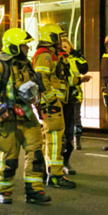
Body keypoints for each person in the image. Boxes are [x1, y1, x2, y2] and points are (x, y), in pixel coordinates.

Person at [0, 28, 52, 205]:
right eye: (24, 45)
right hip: (9, 119)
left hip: (27, 117)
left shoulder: (26, 65)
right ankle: (5, 190)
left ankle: (34, 191)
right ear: (14, 47)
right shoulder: (0, 66)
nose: (27, 48)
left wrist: (41, 106)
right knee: (9, 158)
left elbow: (34, 90)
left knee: (36, 155)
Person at [33, 23, 75, 189]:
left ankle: (47, 171)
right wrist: (51, 100)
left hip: (51, 104)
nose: (60, 40)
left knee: (49, 139)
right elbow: (41, 78)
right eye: (58, 37)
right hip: (51, 105)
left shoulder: (50, 54)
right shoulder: (45, 55)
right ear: (51, 37)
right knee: (55, 139)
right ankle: (56, 175)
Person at [60, 35, 90, 171]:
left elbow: (83, 68)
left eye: (66, 47)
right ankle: (54, 165)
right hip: (60, 99)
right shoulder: (56, 59)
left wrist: (78, 57)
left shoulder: (72, 59)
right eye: (62, 47)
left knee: (70, 128)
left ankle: (65, 161)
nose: (64, 50)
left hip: (73, 96)